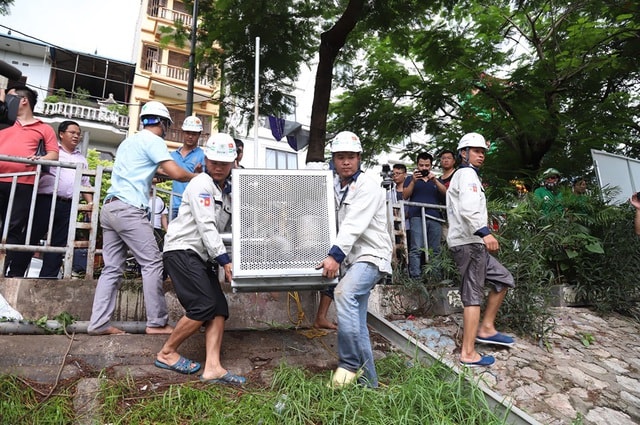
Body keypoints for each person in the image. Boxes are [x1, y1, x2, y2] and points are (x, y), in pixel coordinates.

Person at [87, 101, 197, 336]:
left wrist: (157, 177)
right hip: (129, 211)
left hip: (110, 208)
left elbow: (141, 173)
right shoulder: (154, 141)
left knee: (111, 269)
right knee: (152, 263)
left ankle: (98, 323)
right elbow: (176, 172)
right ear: (164, 123)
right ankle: (157, 323)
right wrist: (195, 176)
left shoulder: (129, 141)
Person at [155, 132, 246, 385]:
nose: (218, 166)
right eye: (214, 160)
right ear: (205, 159)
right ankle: (167, 352)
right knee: (203, 305)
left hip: (201, 255)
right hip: (182, 250)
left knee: (218, 309)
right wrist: (225, 260)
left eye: (224, 162)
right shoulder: (201, 184)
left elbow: (232, 227)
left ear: (233, 163)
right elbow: (206, 226)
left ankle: (213, 367)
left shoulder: (227, 192)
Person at [315, 131, 392, 388]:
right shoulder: (335, 186)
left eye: (350, 157)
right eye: (340, 157)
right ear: (333, 160)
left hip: (372, 256)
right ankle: (369, 384)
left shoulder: (367, 185)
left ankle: (348, 364)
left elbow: (354, 225)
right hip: (354, 259)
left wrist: (334, 256)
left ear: (359, 158)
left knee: (344, 294)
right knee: (356, 323)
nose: (346, 162)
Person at [446, 132, 515, 368]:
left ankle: (486, 328)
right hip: (469, 243)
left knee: (503, 279)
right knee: (472, 296)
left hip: (474, 244)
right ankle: (468, 353)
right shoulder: (465, 174)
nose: (480, 155)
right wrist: (485, 232)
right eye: (475, 151)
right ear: (463, 153)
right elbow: (467, 208)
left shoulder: (469, 176)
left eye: (483, 151)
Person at [6, 120, 93, 278]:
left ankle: (48, 279)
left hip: (69, 205)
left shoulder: (81, 159)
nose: (76, 136)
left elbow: (85, 183)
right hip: (45, 201)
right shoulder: (51, 152)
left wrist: (90, 204)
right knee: (30, 238)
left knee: (59, 245)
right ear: (61, 134)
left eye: (78, 134)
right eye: (72, 132)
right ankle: (15, 275)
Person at [0, 85, 59, 276]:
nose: (6, 102)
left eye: (10, 97)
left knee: (14, 228)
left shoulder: (44, 128)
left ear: (22, 100)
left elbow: (53, 155)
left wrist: (40, 159)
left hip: (23, 183)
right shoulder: (4, 122)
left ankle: (2, 269)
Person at [403, 151, 444, 279]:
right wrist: (414, 182)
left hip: (434, 217)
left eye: (427, 165)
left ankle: (435, 277)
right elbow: (404, 195)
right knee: (416, 248)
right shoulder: (410, 179)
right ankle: (416, 278)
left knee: (435, 249)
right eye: (421, 165)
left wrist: (435, 181)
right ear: (417, 165)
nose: (424, 168)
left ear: (431, 166)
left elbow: (447, 194)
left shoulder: (437, 179)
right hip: (417, 216)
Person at [169, 116, 205, 219]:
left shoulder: (203, 156)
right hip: (174, 204)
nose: (190, 137)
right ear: (183, 133)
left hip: (192, 205)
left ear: (199, 135)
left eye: (194, 134)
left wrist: (200, 173)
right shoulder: (173, 155)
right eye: (188, 133)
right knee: (172, 235)